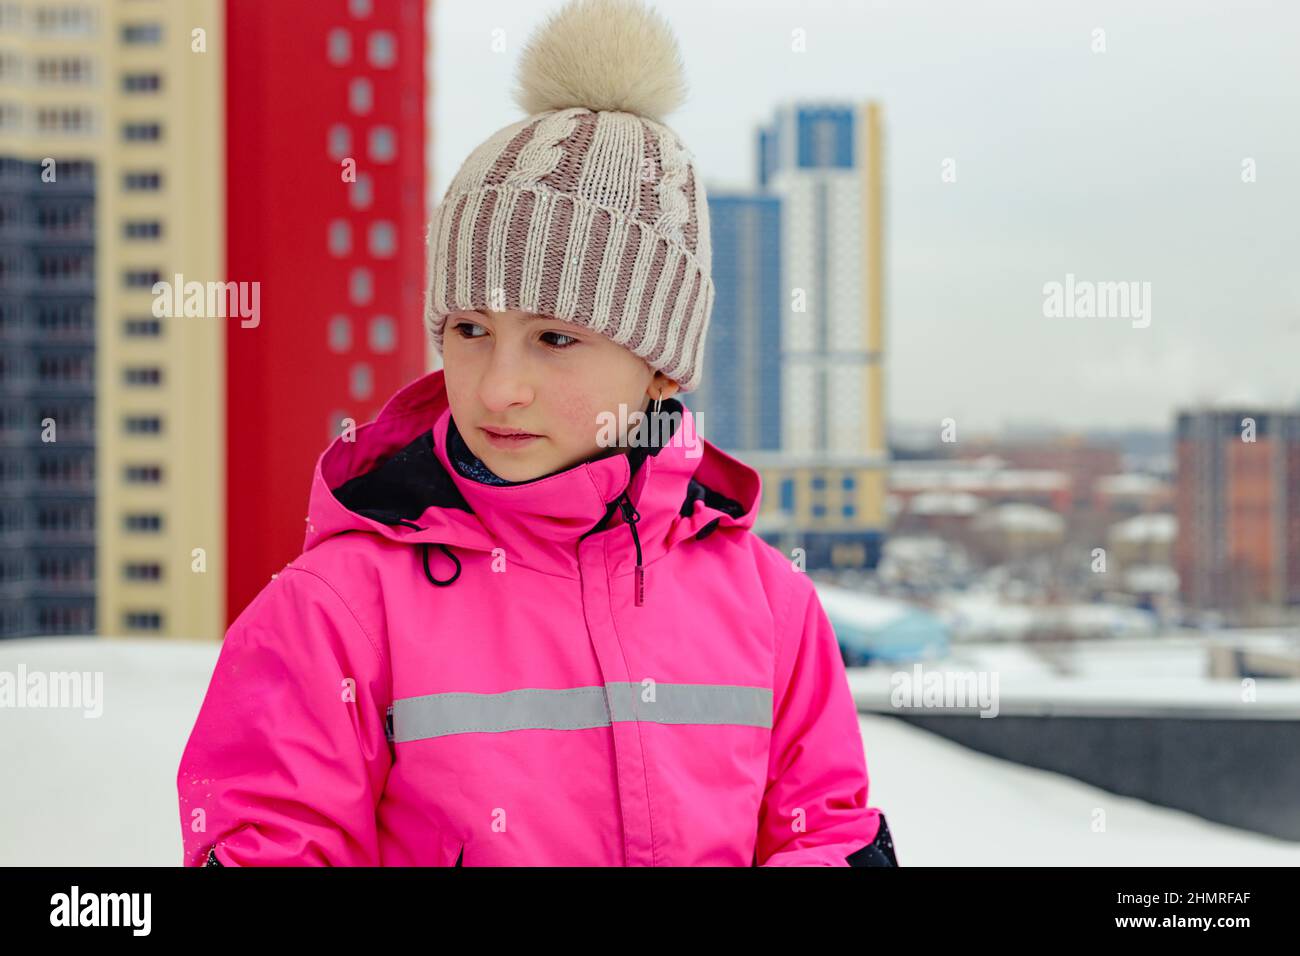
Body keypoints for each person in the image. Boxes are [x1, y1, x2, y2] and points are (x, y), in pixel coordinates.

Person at [177, 0, 897, 867]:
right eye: (470, 331)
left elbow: (828, 834)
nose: (499, 387)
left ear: (661, 367)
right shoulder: (335, 611)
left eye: (556, 338)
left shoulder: (770, 607)